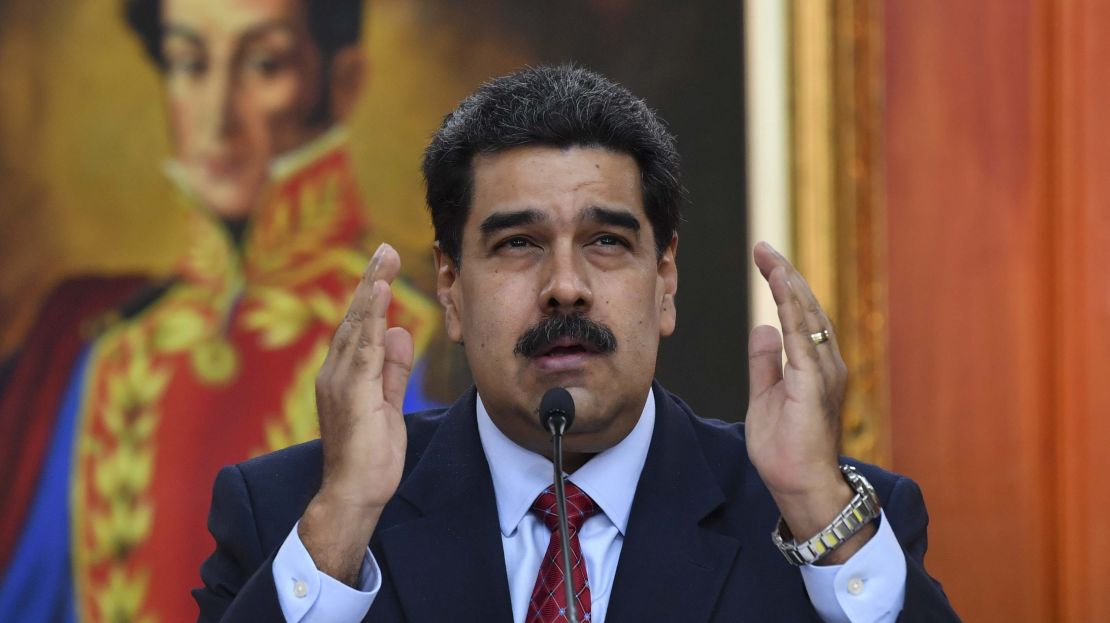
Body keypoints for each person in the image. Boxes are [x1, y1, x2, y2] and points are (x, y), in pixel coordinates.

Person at [193, 65, 959, 622]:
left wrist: (817, 508)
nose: (565, 285)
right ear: (451, 289)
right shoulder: (292, 515)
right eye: (520, 243)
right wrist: (343, 521)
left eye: (606, 242)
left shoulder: (828, 518)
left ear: (665, 281)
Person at [0, 1, 448, 620]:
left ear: (340, 83)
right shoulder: (106, 353)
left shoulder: (420, 339)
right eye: (189, 63)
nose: (217, 115)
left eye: (264, 65)